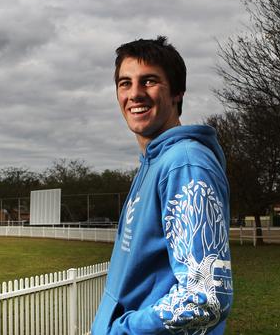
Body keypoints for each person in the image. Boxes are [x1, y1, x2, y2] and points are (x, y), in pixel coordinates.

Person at [91, 36, 233, 334]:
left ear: (177, 93)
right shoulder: (154, 161)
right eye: (125, 83)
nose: (135, 94)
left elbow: (206, 299)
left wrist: (121, 330)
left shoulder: (185, 164)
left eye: (149, 81)